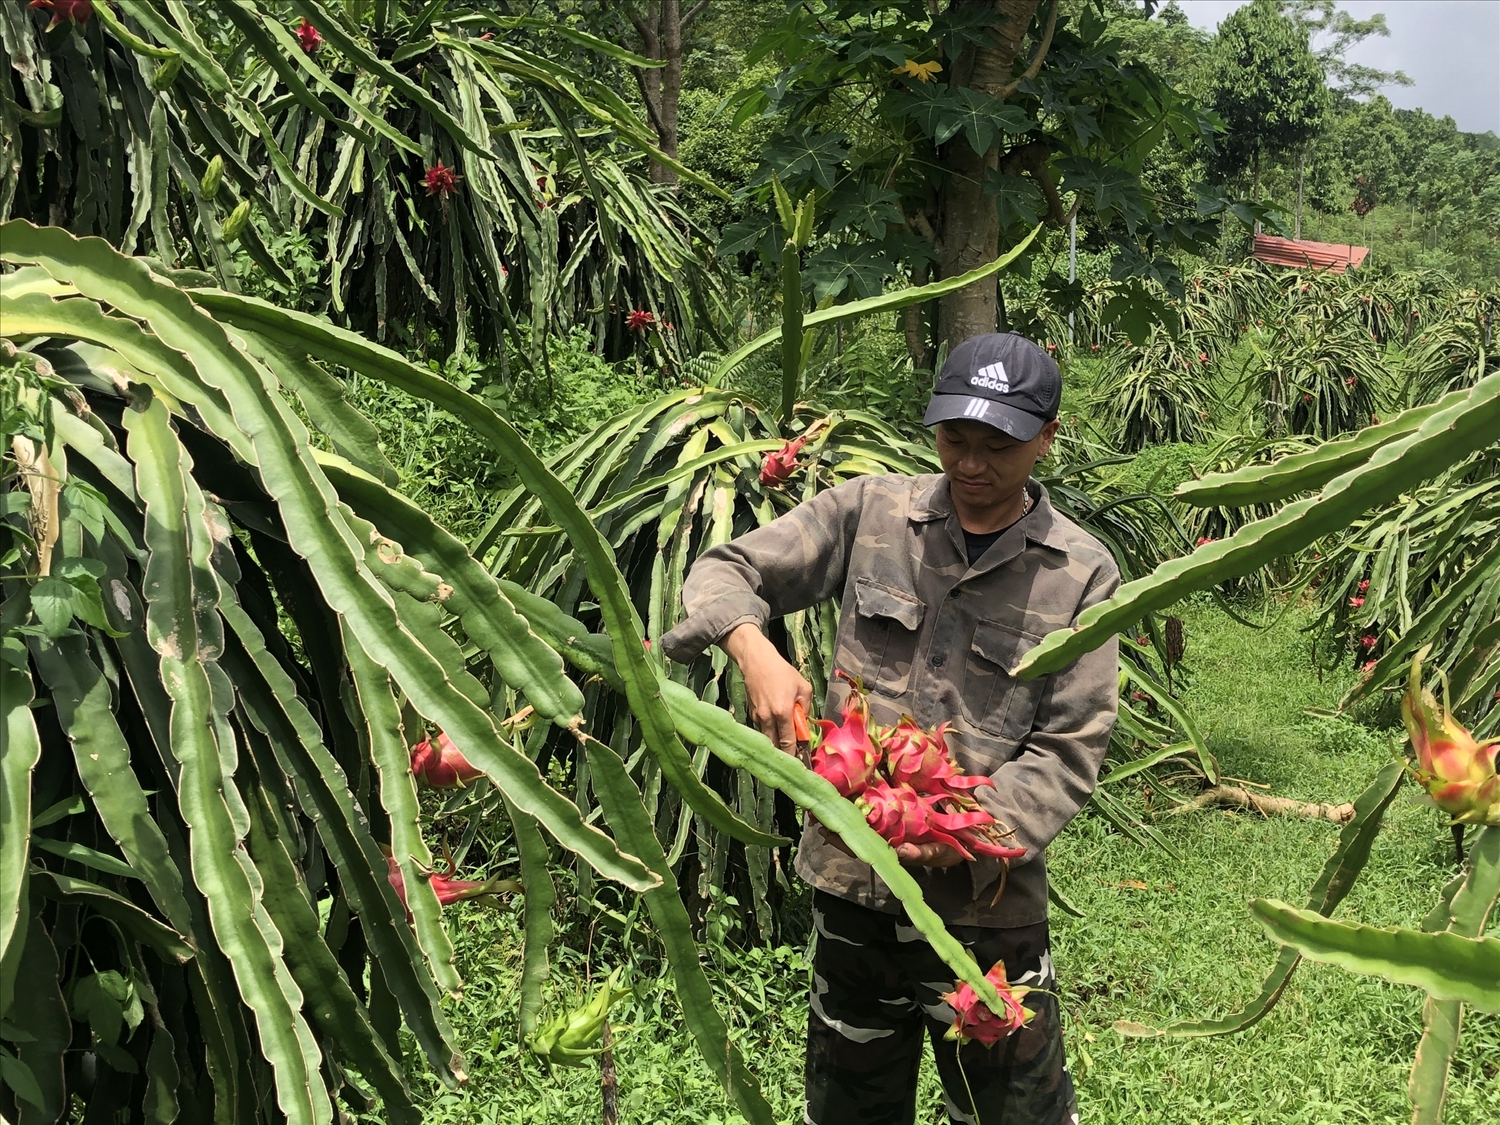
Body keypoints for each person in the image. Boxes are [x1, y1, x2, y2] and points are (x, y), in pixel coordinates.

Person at [661, 332, 1119, 1125]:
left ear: (1047, 437)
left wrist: (960, 829)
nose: (971, 465)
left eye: (998, 445)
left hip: (986, 914)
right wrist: (752, 646)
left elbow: (1069, 749)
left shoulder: (1079, 574)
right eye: (955, 439)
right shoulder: (871, 513)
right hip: (854, 899)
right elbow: (725, 567)